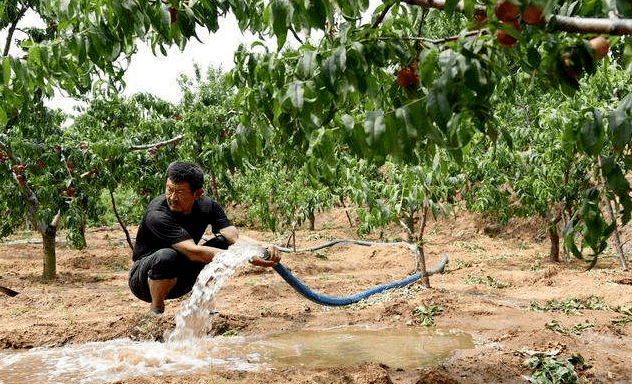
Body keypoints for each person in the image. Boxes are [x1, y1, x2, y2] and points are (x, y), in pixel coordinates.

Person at [128, 161, 280, 314]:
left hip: (182, 278)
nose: (172, 197)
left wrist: (259, 247)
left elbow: (232, 236)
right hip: (143, 281)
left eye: (180, 193)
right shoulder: (157, 214)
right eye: (169, 190)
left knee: (222, 243)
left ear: (198, 193)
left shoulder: (208, 206)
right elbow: (193, 252)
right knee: (167, 256)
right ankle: (156, 311)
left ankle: (199, 305)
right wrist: (244, 257)